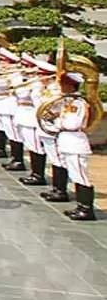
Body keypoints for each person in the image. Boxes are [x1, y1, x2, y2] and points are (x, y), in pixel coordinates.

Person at [53, 71, 97, 222]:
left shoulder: (78, 103)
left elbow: (72, 123)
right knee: (75, 174)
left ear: (71, 85)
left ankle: (86, 208)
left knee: (81, 175)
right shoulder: (69, 101)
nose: (61, 87)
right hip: (67, 141)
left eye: (64, 84)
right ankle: (80, 206)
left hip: (75, 141)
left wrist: (58, 122)